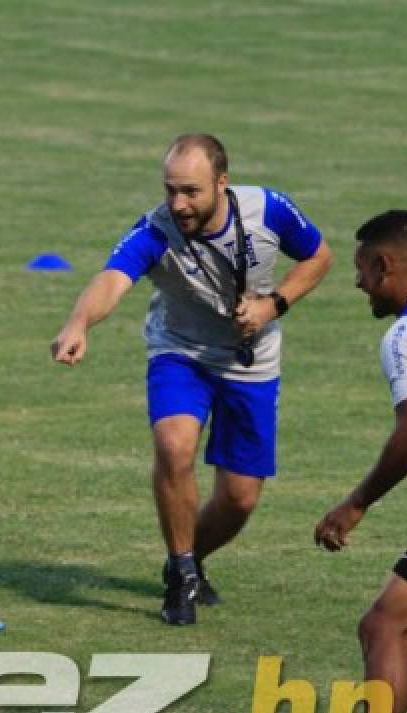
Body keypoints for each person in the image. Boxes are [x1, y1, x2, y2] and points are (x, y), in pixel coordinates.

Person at [51, 133, 332, 625]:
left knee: (240, 499)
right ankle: (182, 575)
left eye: (191, 191)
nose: (178, 203)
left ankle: (189, 557)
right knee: (174, 446)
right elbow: (112, 279)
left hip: (252, 362)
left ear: (221, 183)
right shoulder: (158, 229)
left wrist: (273, 305)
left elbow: (319, 256)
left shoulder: (267, 209)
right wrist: (77, 323)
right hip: (180, 353)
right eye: (170, 190)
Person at [315, 210, 407, 713]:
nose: (357, 284)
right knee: (389, 621)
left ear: (385, 265)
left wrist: (356, 504)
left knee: (387, 624)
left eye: (361, 271)